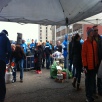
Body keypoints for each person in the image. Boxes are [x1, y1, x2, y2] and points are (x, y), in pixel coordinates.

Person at [82, 27, 99, 102]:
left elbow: (96, 54)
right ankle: (88, 96)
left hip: (94, 66)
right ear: (88, 34)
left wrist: (97, 63)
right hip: (88, 66)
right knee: (88, 82)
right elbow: (83, 55)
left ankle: (91, 95)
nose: (92, 33)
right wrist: (85, 65)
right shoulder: (86, 43)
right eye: (91, 32)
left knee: (92, 81)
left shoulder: (94, 42)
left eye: (93, 32)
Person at [0, 30, 11, 102]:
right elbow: (9, 50)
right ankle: (1, 96)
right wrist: (7, 59)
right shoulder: (6, 38)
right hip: (1, 60)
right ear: (6, 34)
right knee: (1, 78)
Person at [93, 25, 102, 96]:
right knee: (93, 77)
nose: (96, 31)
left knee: (99, 76)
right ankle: (94, 91)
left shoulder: (100, 38)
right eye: (95, 30)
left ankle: (100, 90)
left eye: (97, 30)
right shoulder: (91, 39)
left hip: (100, 60)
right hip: (93, 61)